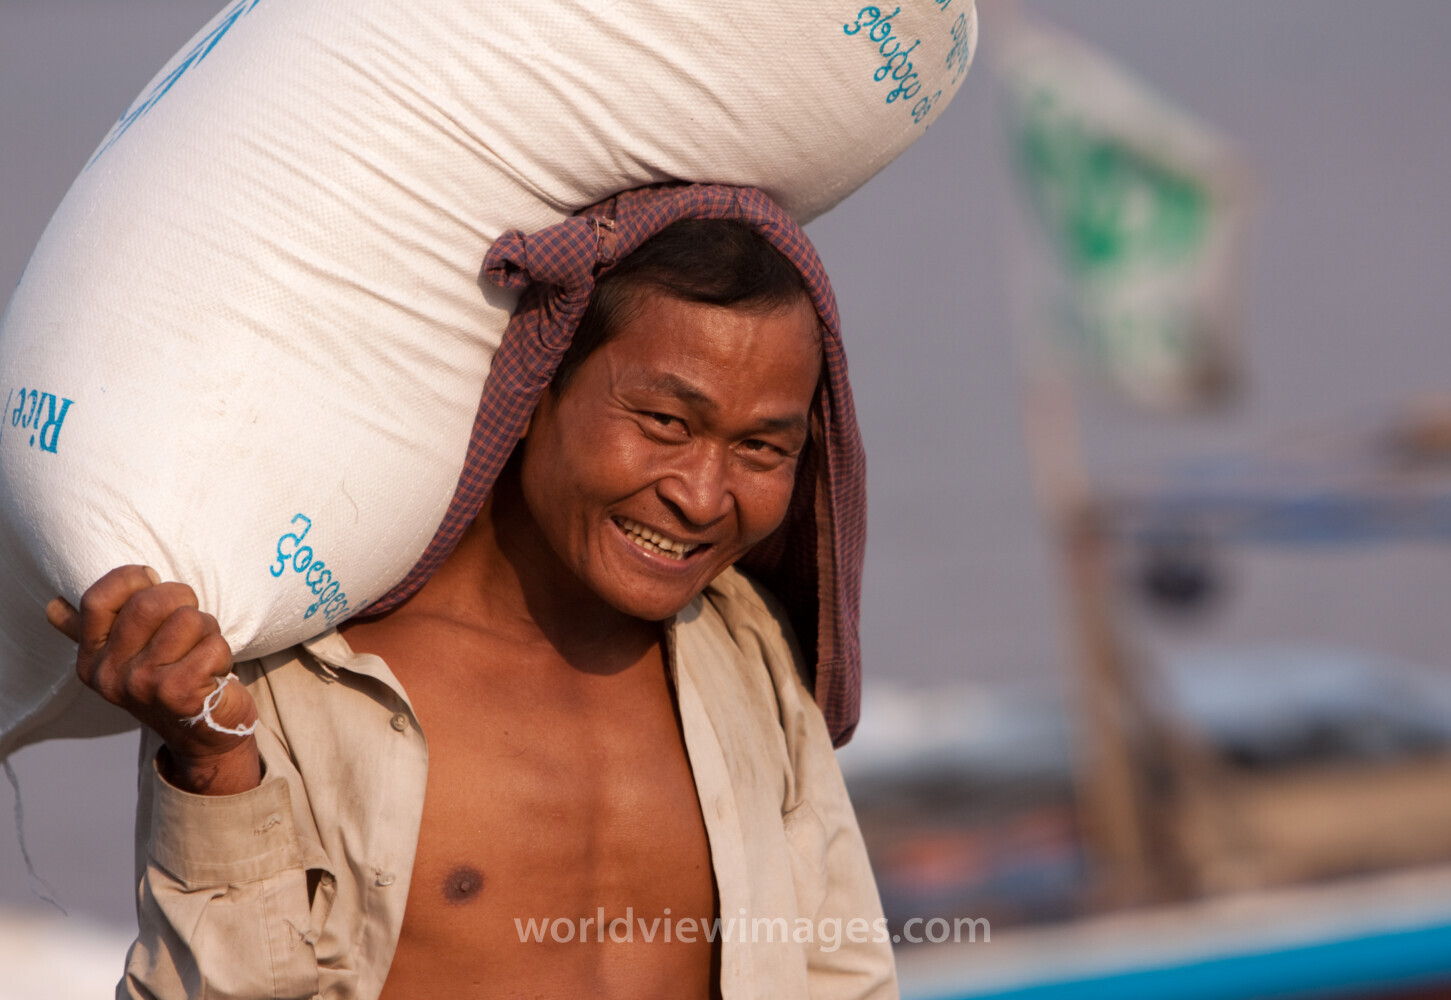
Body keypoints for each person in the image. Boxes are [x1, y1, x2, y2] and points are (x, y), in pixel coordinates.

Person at [47, 184, 895, 999]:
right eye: (665, 424)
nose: (704, 496)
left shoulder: (745, 651)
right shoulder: (306, 682)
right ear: (534, 388)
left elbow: (840, 971)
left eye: (761, 449)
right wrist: (214, 773)